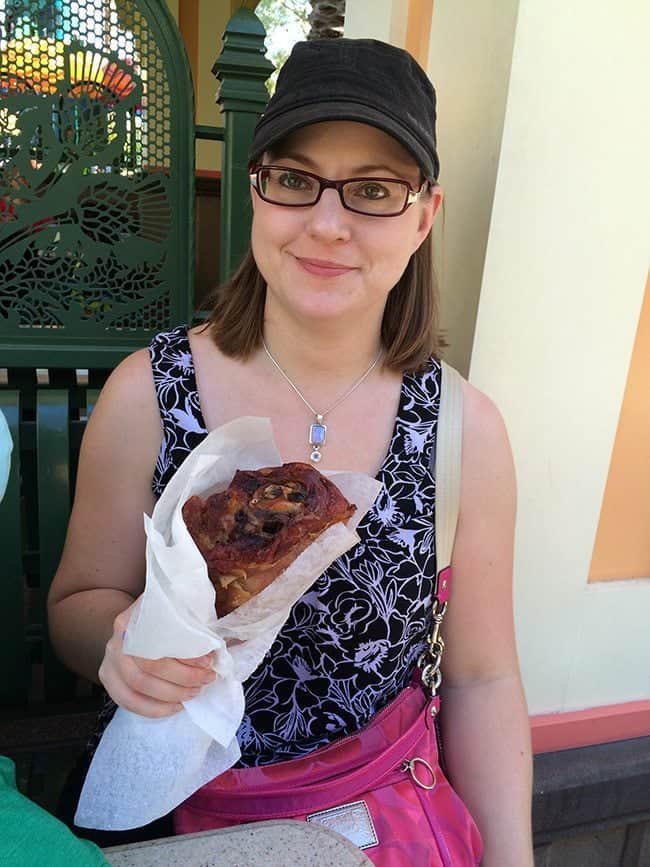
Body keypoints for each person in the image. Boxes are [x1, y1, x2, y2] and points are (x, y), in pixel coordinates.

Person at [48, 38, 533, 865]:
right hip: (167, 821)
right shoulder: (148, 393)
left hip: (378, 828)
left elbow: (483, 677)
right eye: (295, 179)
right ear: (256, 190)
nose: (327, 223)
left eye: (374, 190)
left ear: (423, 217)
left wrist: (514, 858)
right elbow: (79, 600)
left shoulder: (465, 431)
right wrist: (116, 646)